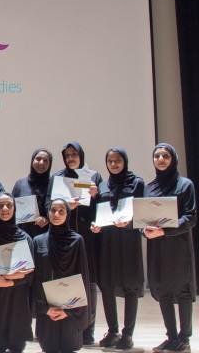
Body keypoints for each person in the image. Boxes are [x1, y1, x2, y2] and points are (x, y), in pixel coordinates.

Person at [45, 141, 101, 345]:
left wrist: (96, 196)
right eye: (67, 155)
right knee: (65, 280)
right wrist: (64, 206)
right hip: (63, 237)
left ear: (81, 155)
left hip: (87, 237)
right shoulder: (58, 177)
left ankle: (88, 329)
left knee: (89, 282)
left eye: (74, 154)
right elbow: (47, 204)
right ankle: (66, 324)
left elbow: (102, 208)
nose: (70, 158)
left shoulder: (93, 176)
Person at [143, 143, 196, 353]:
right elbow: (143, 219)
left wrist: (164, 231)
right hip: (157, 248)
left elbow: (190, 218)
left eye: (165, 156)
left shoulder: (185, 185)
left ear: (173, 159)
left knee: (182, 292)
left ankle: (185, 339)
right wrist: (143, 230)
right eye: (157, 156)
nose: (161, 159)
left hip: (178, 247)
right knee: (163, 291)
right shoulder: (149, 188)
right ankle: (171, 337)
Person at [91, 147, 144, 349]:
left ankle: (127, 334)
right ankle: (113, 331)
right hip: (107, 241)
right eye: (110, 161)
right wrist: (95, 225)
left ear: (125, 161)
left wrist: (130, 223)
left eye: (117, 160)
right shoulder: (103, 185)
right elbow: (98, 212)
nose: (113, 164)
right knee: (106, 285)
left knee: (130, 286)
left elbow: (143, 213)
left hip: (129, 240)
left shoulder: (137, 182)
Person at [32, 198, 91, 353]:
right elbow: (35, 279)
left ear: (67, 214)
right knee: (48, 347)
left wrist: (69, 311)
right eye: (53, 210)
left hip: (71, 309)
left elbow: (82, 277)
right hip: (47, 309)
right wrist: (45, 308)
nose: (56, 214)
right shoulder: (38, 241)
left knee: (69, 347)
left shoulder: (77, 240)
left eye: (61, 211)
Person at [0, 193, 34, 353]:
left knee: (18, 347)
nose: (5, 209)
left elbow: (30, 274)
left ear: (15, 208)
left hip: (18, 299)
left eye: (9, 205)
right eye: (0, 205)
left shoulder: (25, 238)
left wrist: (9, 281)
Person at [12, 148, 53, 238]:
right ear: (32, 160)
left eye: (45, 160)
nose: (41, 163)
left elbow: (60, 210)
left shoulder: (53, 185)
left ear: (50, 164)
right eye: (38, 159)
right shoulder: (20, 184)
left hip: (46, 237)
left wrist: (48, 219)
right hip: (23, 235)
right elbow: (11, 209)